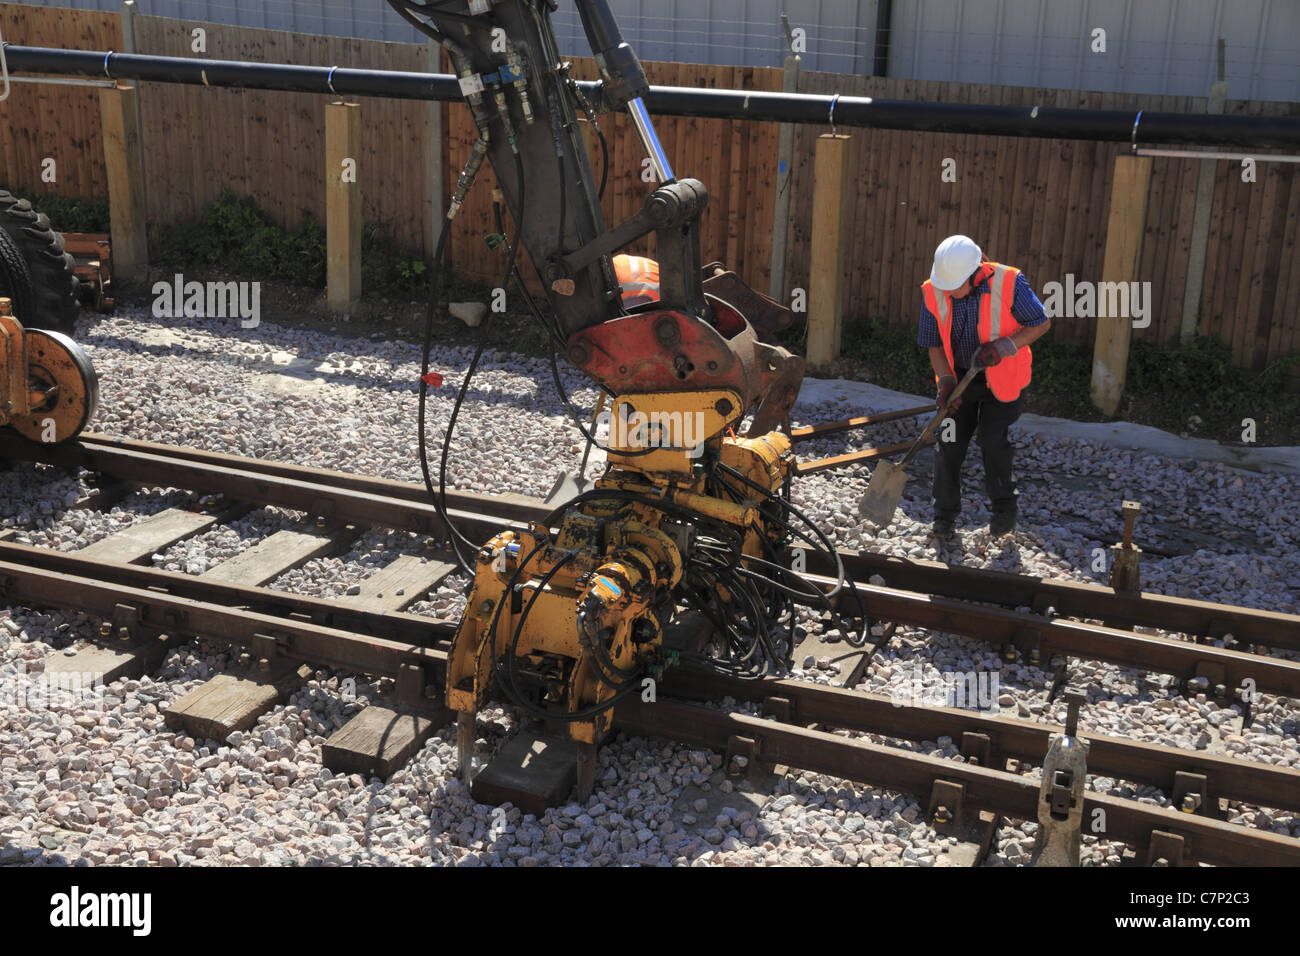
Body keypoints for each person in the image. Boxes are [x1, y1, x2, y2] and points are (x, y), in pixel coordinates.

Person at [917, 235, 1052, 538]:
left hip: (1002, 381)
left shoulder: (1009, 282)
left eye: (955, 287)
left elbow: (1040, 323)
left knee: (992, 442)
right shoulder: (934, 290)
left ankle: (1004, 514)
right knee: (949, 443)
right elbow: (934, 344)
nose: (948, 293)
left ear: (975, 274)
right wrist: (946, 382)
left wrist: (1004, 346)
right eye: (945, 286)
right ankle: (944, 518)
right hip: (961, 381)